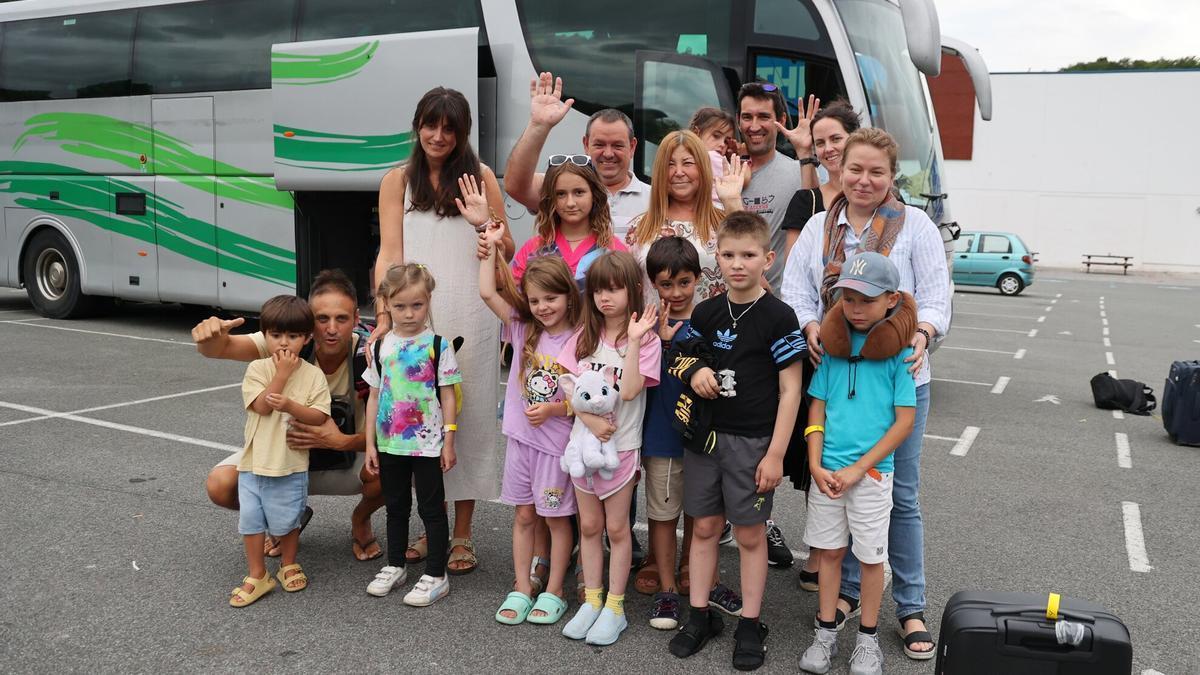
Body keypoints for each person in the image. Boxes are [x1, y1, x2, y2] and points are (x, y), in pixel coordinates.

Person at [781, 128, 951, 661]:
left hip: (899, 378)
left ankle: (911, 605)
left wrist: (922, 336)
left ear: (890, 177)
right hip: (834, 375)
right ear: (840, 167)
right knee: (837, 485)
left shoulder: (914, 225)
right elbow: (796, 290)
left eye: (877, 172)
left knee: (897, 495)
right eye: (856, 169)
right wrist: (810, 325)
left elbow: (937, 296)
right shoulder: (818, 227)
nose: (864, 180)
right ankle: (848, 594)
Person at [376, 86, 512, 574]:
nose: (438, 136)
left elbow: (508, 249)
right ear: (417, 126)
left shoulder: (480, 178)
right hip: (413, 316)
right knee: (417, 420)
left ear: (463, 133)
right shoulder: (397, 181)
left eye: (449, 128)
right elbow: (390, 252)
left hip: (471, 315)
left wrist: (485, 226)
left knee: (467, 421)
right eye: (431, 125)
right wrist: (383, 316)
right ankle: (428, 524)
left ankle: (461, 534)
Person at [666, 212, 806, 671]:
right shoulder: (706, 311)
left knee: (748, 534)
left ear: (767, 258)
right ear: (717, 260)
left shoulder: (779, 316)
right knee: (703, 528)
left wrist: (776, 454)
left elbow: (791, 390)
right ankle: (701, 614)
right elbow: (682, 355)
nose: (738, 264)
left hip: (753, 442)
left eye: (748, 255)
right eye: (728, 255)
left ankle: (750, 621)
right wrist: (697, 370)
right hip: (705, 439)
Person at [194, 270, 384, 562]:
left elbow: (394, 434)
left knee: (392, 469)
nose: (331, 328)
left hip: (345, 460)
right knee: (220, 485)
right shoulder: (289, 340)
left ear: (357, 319)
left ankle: (360, 519)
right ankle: (288, 515)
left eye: (342, 319)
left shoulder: (372, 355)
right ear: (309, 321)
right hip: (282, 462)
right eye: (322, 319)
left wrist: (341, 442)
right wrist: (209, 336)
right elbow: (220, 348)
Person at [798, 252, 917, 675]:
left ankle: (867, 641)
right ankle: (825, 633)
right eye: (848, 298)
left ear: (891, 301)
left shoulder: (899, 356)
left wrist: (858, 468)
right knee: (828, 555)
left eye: (867, 299)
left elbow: (904, 422)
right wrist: (815, 463)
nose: (856, 307)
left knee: (869, 560)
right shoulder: (833, 351)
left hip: (869, 477)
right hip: (826, 475)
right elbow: (817, 409)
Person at [470, 181, 582, 626]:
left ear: (569, 295)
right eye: (535, 300)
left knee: (556, 521)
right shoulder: (522, 327)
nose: (542, 307)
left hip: (556, 446)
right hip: (520, 441)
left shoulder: (580, 339)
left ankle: (553, 589)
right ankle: (521, 587)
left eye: (551, 299)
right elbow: (488, 293)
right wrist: (489, 251)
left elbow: (589, 400)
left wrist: (555, 410)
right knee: (523, 514)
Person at [637, 236, 741, 629]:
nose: (676, 292)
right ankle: (666, 590)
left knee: (704, 518)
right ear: (653, 283)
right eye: (666, 284)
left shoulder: (711, 321)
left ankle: (706, 581)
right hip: (662, 438)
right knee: (663, 518)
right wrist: (662, 342)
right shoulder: (645, 326)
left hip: (705, 441)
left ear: (699, 278)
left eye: (684, 282)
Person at [558, 251, 661, 647]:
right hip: (582, 451)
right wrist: (589, 420)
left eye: (614, 289)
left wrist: (633, 342)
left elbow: (632, 389)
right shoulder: (582, 337)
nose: (605, 297)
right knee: (589, 526)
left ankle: (615, 607)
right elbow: (569, 393)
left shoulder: (646, 341)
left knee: (618, 529)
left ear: (633, 291)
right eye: (598, 289)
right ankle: (592, 599)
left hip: (623, 448)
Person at [780, 100, 862, 592]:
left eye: (838, 139)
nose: (830, 149)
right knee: (818, 448)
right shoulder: (809, 206)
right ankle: (820, 550)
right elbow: (798, 280)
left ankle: (851, 561)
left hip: (868, 357)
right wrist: (810, 326)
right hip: (817, 348)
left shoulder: (877, 202)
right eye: (823, 141)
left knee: (857, 450)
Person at [362, 263, 461, 606]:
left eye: (416, 305)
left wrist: (449, 439)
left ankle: (436, 573)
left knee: (431, 509)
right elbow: (374, 395)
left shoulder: (437, 344)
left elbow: (447, 394)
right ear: (386, 303)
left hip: (428, 444)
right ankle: (395, 564)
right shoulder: (379, 347)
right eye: (400, 306)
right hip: (390, 444)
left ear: (429, 301)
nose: (408, 313)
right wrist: (369, 443)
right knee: (396, 506)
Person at [228, 295, 331, 607]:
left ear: (306, 338)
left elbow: (320, 416)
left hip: (291, 465)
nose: (284, 343)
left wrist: (291, 406)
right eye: (276, 335)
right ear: (265, 335)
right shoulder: (258, 369)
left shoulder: (314, 375)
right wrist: (282, 375)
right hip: (253, 465)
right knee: (250, 520)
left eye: (293, 336)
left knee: (287, 520)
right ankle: (257, 574)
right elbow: (260, 406)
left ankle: (288, 563)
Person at [505, 72, 649, 240]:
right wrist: (538, 126)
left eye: (617, 145)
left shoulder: (656, 199)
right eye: (599, 145)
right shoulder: (561, 186)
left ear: (632, 147)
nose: (608, 154)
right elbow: (515, 186)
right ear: (586, 145)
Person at [624, 129, 747, 306]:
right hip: (655, 332)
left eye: (688, 163)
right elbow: (628, 293)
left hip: (717, 331)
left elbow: (755, 279)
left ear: (703, 168)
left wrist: (734, 203)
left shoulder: (725, 222)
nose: (679, 172)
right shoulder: (639, 228)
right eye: (670, 164)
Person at [736, 83, 821, 290]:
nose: (754, 126)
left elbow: (814, 218)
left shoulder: (798, 170)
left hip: (780, 307)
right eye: (747, 117)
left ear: (781, 120)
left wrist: (805, 153)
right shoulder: (721, 173)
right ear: (738, 121)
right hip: (728, 304)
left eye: (764, 117)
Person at [509, 159, 628, 284]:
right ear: (551, 198)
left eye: (579, 192)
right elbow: (516, 300)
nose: (570, 203)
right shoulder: (533, 250)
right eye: (561, 194)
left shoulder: (613, 250)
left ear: (594, 195)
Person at [781, 99, 861, 257]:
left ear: (855, 138)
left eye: (836, 139)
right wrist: (804, 152)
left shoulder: (883, 195)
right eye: (820, 143)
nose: (829, 149)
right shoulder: (804, 201)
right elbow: (793, 269)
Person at [688, 107, 739, 207]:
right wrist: (737, 156)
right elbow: (745, 178)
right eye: (716, 136)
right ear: (696, 133)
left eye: (726, 141)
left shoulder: (676, 160)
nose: (722, 144)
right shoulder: (713, 157)